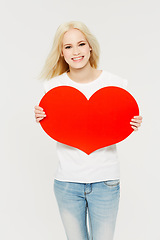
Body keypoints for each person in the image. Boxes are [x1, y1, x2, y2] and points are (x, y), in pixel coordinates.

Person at [34, 21, 142, 240]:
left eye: (81, 44)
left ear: (90, 47)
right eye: (68, 46)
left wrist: (131, 122)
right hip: (67, 183)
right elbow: (56, 125)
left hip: (105, 181)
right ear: (61, 53)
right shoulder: (52, 89)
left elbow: (119, 121)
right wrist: (43, 117)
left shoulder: (115, 84)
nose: (76, 51)